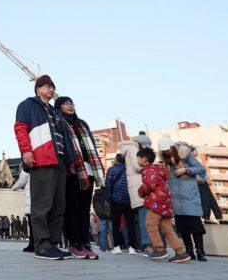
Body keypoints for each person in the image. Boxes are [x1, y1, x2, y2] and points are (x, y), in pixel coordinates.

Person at [14, 75, 76, 260]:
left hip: (60, 162)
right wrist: (26, 151)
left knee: (58, 206)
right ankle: (41, 245)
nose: (51, 89)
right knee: (42, 204)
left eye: (53, 87)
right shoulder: (28, 105)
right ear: (38, 88)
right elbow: (20, 129)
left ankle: (53, 244)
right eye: (47, 86)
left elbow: (64, 137)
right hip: (42, 159)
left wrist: (70, 162)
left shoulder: (56, 112)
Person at [55, 96, 104, 259]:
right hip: (72, 170)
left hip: (88, 170)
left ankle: (85, 243)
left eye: (71, 103)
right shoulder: (58, 122)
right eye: (65, 103)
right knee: (72, 208)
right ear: (58, 107)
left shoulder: (82, 124)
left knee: (83, 209)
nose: (70, 106)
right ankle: (74, 243)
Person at [136, 148, 191, 262]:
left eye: (138, 158)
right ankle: (180, 252)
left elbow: (150, 185)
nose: (137, 160)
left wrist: (140, 192)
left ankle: (160, 250)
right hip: (165, 202)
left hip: (156, 203)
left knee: (150, 224)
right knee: (167, 228)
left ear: (144, 160)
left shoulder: (148, 170)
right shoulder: (158, 169)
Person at [159, 136, 207, 261]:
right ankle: (189, 251)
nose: (167, 153)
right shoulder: (165, 159)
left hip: (189, 193)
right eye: (164, 151)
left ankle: (200, 251)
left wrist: (186, 170)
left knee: (195, 225)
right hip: (175, 196)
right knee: (183, 227)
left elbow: (201, 168)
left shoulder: (185, 153)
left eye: (168, 150)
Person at [118, 132, 153, 255]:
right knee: (146, 220)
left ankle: (151, 247)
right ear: (142, 144)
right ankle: (149, 248)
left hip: (138, 188)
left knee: (146, 220)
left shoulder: (130, 149)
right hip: (140, 188)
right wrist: (153, 166)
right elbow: (138, 167)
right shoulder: (133, 149)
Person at [105, 154, 138, 254]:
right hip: (129, 200)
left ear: (116, 160)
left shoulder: (111, 170)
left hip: (116, 200)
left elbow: (108, 185)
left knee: (116, 224)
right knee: (130, 224)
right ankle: (132, 247)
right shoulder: (130, 169)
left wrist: (109, 199)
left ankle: (117, 246)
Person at [12, 170, 34, 250]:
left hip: (31, 201)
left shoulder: (28, 166)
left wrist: (13, 187)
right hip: (41, 199)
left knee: (32, 225)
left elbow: (22, 180)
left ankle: (32, 245)